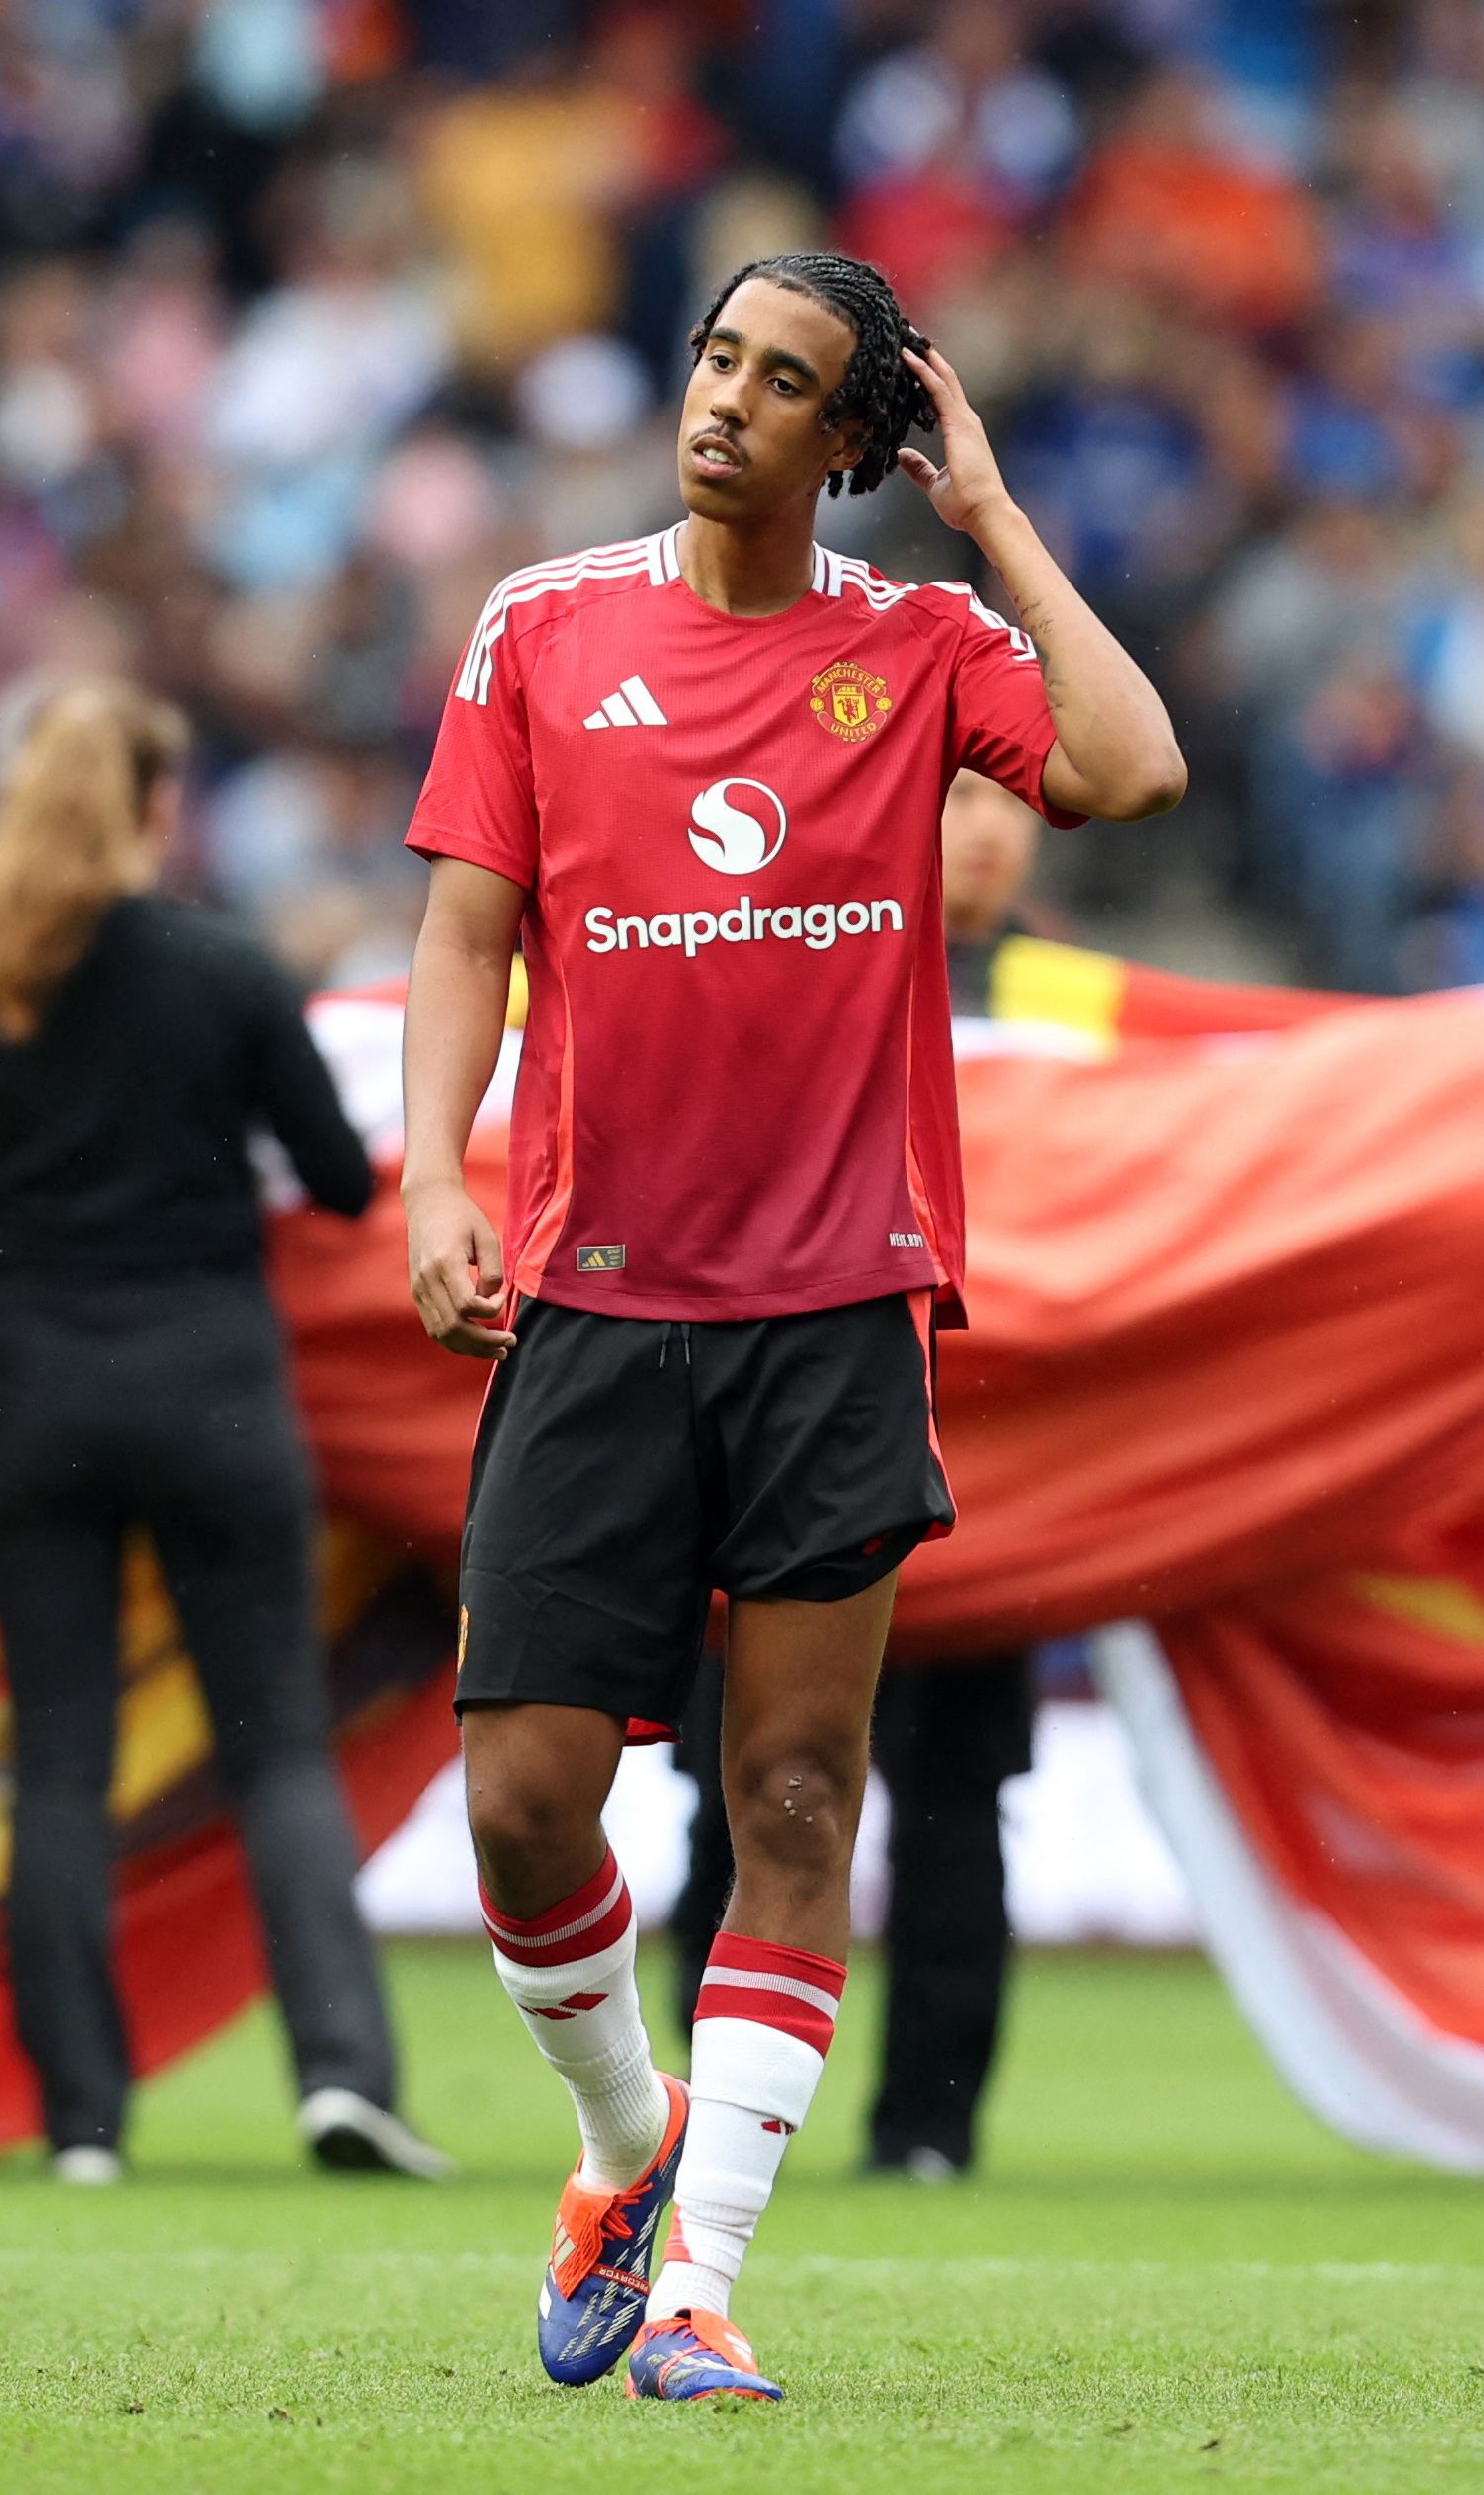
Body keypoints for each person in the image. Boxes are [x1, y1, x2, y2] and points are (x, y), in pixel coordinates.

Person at [398, 251, 1182, 2402]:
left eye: (782, 382)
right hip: (592, 1292)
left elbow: (1127, 764)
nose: (724, 402)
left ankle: (700, 2287)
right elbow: (466, 922)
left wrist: (994, 520)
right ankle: (621, 2147)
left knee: (798, 1795)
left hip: (834, 1302)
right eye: (713, 360)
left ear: (856, 442)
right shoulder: (542, 627)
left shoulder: (921, 643)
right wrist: (432, 1168)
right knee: (523, 1806)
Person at [0, 678, 447, 2187]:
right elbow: (342, 1182)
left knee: (61, 1763)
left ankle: (82, 2119)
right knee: (275, 1747)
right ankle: (342, 2075)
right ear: (158, 809)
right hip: (212, 1393)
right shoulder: (226, 973)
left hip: (31, 1406)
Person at [667, 767, 1048, 2184]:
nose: (998, 830)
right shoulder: (787, 955)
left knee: (953, 1806)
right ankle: (700, 2102)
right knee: (749, 1792)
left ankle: (928, 2129)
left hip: (993, 1489)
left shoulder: (1088, 1010)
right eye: (961, 802)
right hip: (789, 1440)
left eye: (1013, 805)